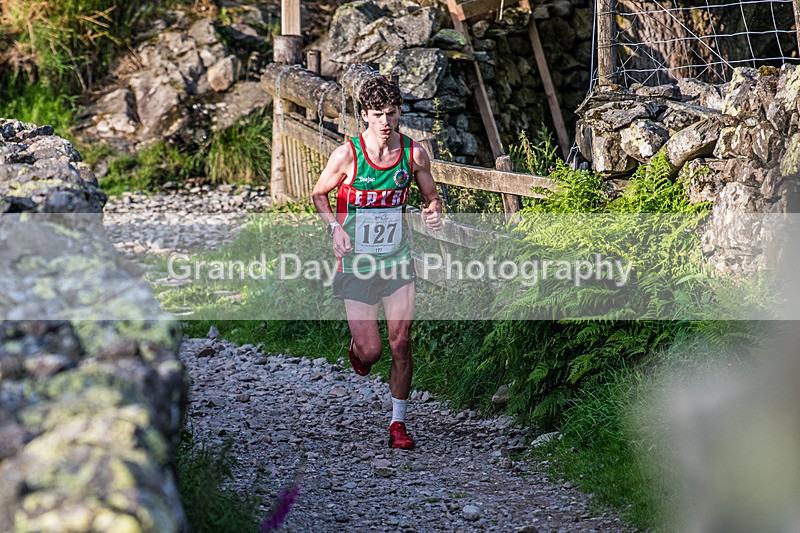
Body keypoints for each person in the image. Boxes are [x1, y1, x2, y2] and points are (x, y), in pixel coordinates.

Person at [311, 75, 442, 450]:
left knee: (401, 343)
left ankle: (398, 423)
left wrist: (432, 211)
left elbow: (432, 196)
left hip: (397, 262)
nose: (385, 121)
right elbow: (320, 194)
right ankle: (357, 350)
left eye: (391, 113)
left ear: (399, 112)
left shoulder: (413, 154)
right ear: (364, 115)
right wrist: (335, 228)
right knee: (372, 352)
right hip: (357, 265)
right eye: (377, 114)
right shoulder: (347, 155)